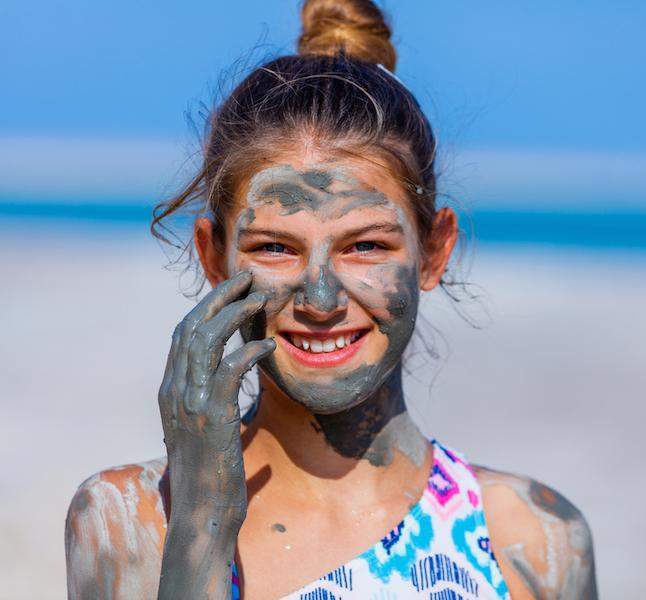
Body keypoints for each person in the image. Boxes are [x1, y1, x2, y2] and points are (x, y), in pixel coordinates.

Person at [64, 1, 598, 598]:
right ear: (213, 257)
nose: (320, 298)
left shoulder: (530, 538)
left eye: (365, 245)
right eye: (275, 248)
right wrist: (202, 525)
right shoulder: (132, 519)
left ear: (435, 250)